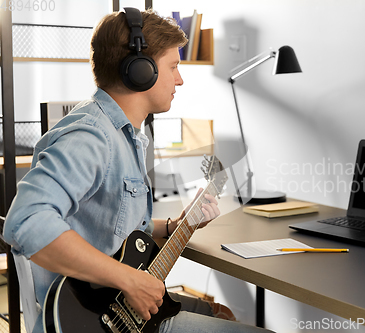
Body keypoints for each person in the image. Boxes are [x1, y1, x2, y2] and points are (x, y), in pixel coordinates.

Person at [3, 8, 272, 333]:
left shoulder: (124, 134)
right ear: (139, 72)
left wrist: (175, 225)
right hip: (95, 315)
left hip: (113, 300)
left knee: (219, 311)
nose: (180, 79)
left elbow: (113, 225)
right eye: (173, 66)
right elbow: (26, 221)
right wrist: (129, 279)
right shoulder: (91, 137)